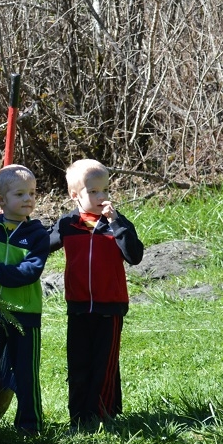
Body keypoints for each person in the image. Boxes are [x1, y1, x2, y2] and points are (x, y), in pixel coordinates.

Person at [48, 159, 144, 430]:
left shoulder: (117, 223)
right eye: (93, 191)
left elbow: (134, 256)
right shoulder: (68, 224)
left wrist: (117, 224)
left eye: (105, 190)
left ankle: (102, 414)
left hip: (109, 307)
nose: (102, 197)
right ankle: (78, 417)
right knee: (78, 364)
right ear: (74, 195)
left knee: (104, 364)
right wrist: (8, 220)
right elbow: (41, 244)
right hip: (78, 307)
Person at [0, 164, 51, 435]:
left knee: (26, 373)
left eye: (32, 193)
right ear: (1, 200)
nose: (28, 199)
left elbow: (28, 273)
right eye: (20, 194)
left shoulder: (37, 235)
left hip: (24, 314)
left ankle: (30, 425)